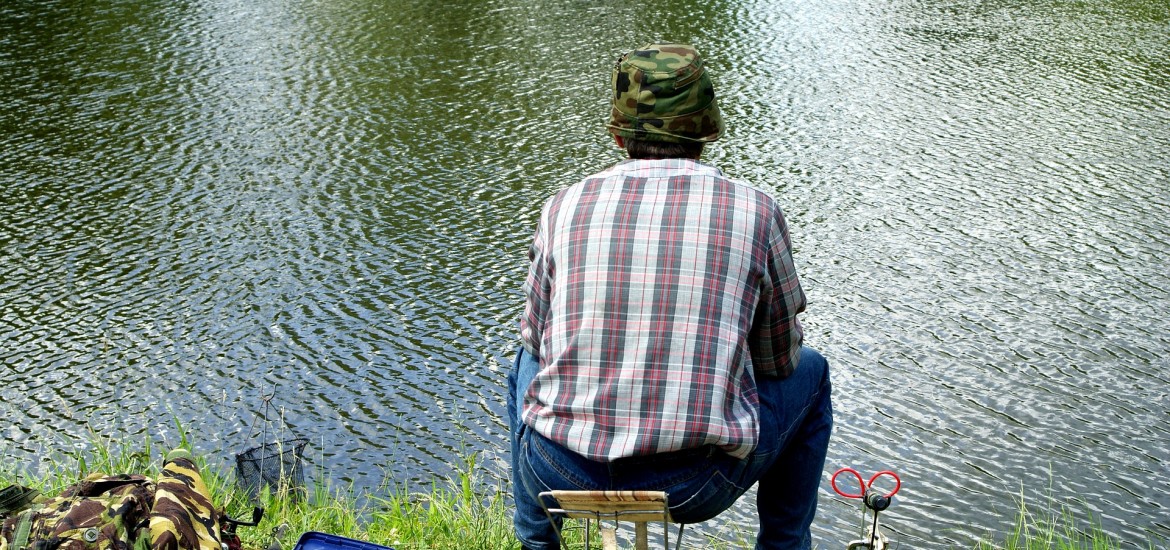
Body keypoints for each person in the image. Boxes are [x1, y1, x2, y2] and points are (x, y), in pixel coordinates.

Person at [508, 43, 832, 550]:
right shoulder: (756, 212)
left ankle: (536, 539)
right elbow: (778, 360)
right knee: (812, 371)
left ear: (618, 133)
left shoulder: (563, 206)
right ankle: (784, 545)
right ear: (708, 130)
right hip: (692, 485)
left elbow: (536, 337)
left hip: (559, 471)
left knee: (523, 359)